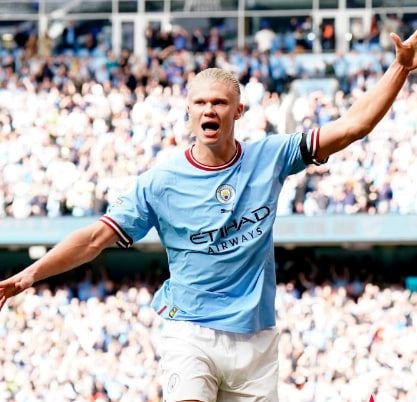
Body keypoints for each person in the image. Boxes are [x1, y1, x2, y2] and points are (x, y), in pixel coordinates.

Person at [1, 30, 417, 402]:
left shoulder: (271, 156)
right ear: (188, 112)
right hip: (191, 330)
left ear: (238, 111)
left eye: (219, 102)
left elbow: (352, 126)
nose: (209, 110)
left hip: (256, 338)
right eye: (200, 103)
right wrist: (30, 274)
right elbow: (95, 238)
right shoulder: (160, 183)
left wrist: (399, 68)